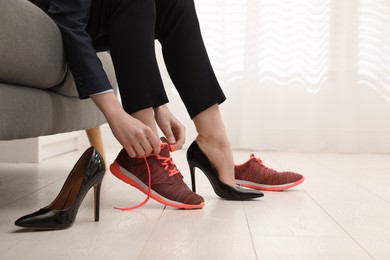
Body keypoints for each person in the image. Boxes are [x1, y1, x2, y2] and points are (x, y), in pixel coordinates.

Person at [29, 0, 304, 209]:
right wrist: (116, 112)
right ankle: (146, 156)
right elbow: (69, 18)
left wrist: (159, 104)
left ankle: (215, 142)